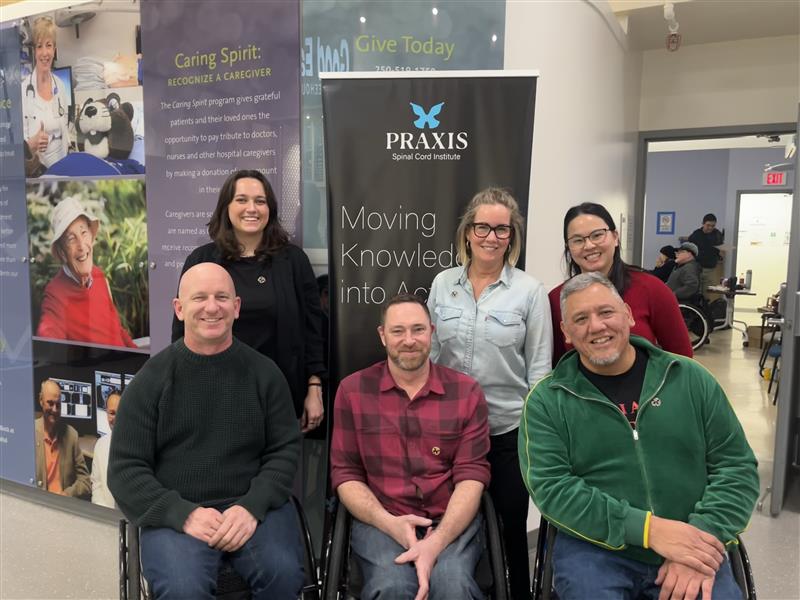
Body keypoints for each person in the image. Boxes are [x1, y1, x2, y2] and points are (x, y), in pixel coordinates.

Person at [520, 272, 759, 600]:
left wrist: (700, 538)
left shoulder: (691, 379)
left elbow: (737, 468)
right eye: (580, 319)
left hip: (693, 533)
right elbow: (553, 489)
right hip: (595, 548)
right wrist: (649, 530)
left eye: (606, 312)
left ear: (628, 315)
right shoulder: (547, 401)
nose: (596, 326)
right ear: (566, 333)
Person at [109, 263, 304, 599]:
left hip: (252, 507)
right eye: (199, 298)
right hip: (178, 513)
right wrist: (182, 515)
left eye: (221, 297)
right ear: (179, 308)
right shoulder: (150, 381)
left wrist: (252, 506)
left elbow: (284, 451)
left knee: (284, 575)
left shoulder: (265, 374)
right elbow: (125, 471)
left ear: (236, 307)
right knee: (183, 590)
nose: (212, 307)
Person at [427, 188, 552, 599]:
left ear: (512, 236)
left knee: (510, 529)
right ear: (468, 231)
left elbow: (539, 372)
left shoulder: (529, 291)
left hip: (505, 433)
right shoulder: (443, 284)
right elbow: (430, 356)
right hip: (446, 434)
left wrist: (535, 436)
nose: (491, 237)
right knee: (449, 526)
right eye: (483, 227)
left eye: (502, 229)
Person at [331, 294, 491, 600]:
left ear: (432, 332)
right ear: (382, 335)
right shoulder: (352, 391)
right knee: (391, 587)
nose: (409, 340)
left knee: (453, 586)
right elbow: (346, 474)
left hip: (449, 518)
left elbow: (472, 476)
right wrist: (390, 524)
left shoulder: (466, 392)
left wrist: (436, 542)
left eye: (418, 329)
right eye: (398, 331)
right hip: (380, 519)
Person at [172, 169, 325, 432]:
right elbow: (181, 332)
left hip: (280, 397)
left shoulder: (293, 261)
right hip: (213, 396)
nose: (251, 208)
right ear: (226, 207)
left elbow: (313, 330)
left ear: (270, 209)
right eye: (241, 200)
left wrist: (314, 387)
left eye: (260, 201)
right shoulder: (201, 260)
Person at [549, 202, 692, 364]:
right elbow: (557, 365)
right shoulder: (557, 299)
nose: (589, 245)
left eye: (597, 235)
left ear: (615, 237)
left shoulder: (652, 289)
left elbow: (682, 359)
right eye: (577, 240)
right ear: (568, 247)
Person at [36, 196, 137, 348]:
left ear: (91, 236)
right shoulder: (55, 294)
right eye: (71, 239)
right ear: (62, 252)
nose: (82, 246)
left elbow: (117, 330)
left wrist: (140, 357)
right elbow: (48, 333)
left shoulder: (98, 275)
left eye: (83, 233)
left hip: (124, 360)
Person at [22, 16, 70, 177]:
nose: (44, 53)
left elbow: (65, 128)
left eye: (48, 45)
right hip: (37, 174)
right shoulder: (23, 90)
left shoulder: (60, 86)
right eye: (39, 46)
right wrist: (32, 144)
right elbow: (17, 150)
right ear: (34, 51)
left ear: (54, 49)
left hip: (62, 170)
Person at [34, 379, 91, 499]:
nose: (55, 409)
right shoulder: (30, 434)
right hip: (37, 502)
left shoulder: (71, 435)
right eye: (50, 403)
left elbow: (85, 481)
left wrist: (68, 494)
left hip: (63, 504)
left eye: (58, 405)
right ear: (41, 400)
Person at [91, 391, 121, 508]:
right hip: (105, 512)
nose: (116, 418)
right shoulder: (100, 445)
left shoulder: (139, 446)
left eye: (120, 412)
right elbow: (97, 485)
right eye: (112, 413)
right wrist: (103, 511)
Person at [688, 213, 725, 292]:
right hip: (697, 268)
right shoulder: (696, 235)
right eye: (708, 225)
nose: (710, 228)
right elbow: (689, 251)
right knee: (695, 291)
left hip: (711, 269)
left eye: (713, 226)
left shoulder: (717, 234)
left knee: (708, 292)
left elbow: (721, 249)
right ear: (703, 224)